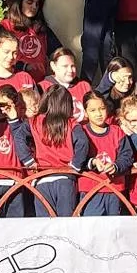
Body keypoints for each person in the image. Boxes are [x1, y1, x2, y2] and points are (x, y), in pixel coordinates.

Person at [28, 83, 86, 216]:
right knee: (66, 224)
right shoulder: (72, 123)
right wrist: (76, 165)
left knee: (44, 226)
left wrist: (28, 160)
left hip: (42, 179)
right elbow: (82, 143)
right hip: (65, 178)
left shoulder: (35, 121)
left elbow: (19, 136)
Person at [0, 84, 35, 219]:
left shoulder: (18, 124)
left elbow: (21, 142)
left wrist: (14, 119)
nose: (3, 109)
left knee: (15, 226)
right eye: (1, 105)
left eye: (8, 105)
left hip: (14, 180)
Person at [75, 91, 132, 216]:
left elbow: (127, 156)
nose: (99, 114)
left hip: (114, 188)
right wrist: (92, 162)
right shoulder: (81, 131)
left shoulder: (117, 131)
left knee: (113, 229)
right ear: (85, 112)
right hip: (90, 189)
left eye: (102, 109)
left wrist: (116, 166)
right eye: (93, 110)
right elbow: (76, 158)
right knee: (92, 227)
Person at [0, 0, 58, 83]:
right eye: (30, 2)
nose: (34, 7)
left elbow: (58, 53)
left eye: (37, 4)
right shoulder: (6, 26)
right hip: (12, 82)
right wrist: (24, 67)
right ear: (19, 3)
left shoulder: (42, 28)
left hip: (39, 85)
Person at [48, 47, 91, 118]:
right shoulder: (44, 87)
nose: (70, 70)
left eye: (73, 66)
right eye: (65, 66)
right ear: (53, 66)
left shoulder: (84, 86)